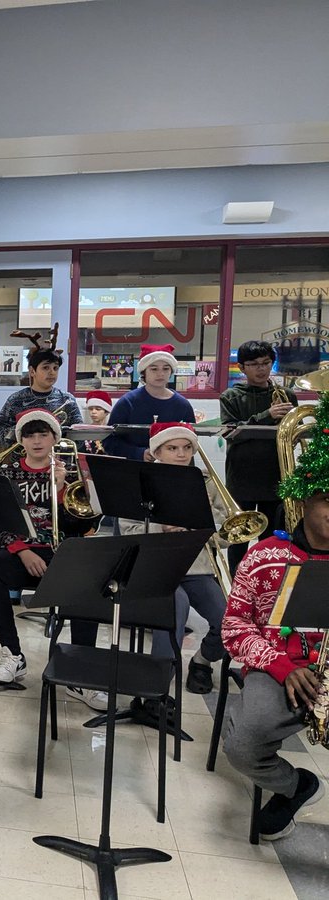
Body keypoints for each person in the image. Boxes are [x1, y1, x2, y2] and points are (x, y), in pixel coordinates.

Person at [221, 489, 329, 840]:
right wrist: (281, 665)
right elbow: (234, 626)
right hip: (277, 668)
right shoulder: (265, 556)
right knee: (242, 746)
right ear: (304, 501)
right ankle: (296, 785)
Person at [0, 410, 106, 709]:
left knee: (89, 580)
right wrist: (22, 550)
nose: (36, 441)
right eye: (30, 435)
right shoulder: (7, 472)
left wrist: (62, 489)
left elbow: (85, 526)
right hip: (23, 551)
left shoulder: (72, 471)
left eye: (43, 434)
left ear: (55, 438)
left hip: (63, 552)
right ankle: (13, 654)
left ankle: (78, 673)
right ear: (21, 439)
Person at [117, 423, 227, 694]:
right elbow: (127, 530)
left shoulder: (206, 482)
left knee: (228, 620)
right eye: (172, 448)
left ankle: (202, 661)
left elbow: (227, 532)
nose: (181, 454)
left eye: (187, 447)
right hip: (154, 566)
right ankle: (158, 685)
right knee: (175, 608)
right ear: (157, 451)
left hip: (196, 565)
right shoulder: (141, 482)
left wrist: (198, 526)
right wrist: (160, 528)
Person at [220, 340, 297, 576]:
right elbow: (230, 432)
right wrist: (267, 415)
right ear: (242, 368)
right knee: (239, 541)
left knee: (272, 540)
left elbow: (293, 431)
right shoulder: (231, 396)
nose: (261, 369)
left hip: (274, 477)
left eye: (266, 363)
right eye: (253, 364)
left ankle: (268, 584)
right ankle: (237, 588)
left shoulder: (286, 395)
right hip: (241, 479)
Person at [103, 344, 195, 461]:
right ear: (144, 372)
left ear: (171, 372)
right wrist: (139, 453)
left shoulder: (182, 405)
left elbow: (191, 442)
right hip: (134, 471)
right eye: (154, 369)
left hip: (172, 471)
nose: (160, 373)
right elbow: (109, 441)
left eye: (165, 369)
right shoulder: (128, 402)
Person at [0, 346, 82, 449]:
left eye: (55, 368)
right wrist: (23, 429)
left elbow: (79, 437)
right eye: (45, 367)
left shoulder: (67, 400)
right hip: (22, 460)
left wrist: (56, 431)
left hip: (57, 460)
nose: (52, 372)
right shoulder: (16, 399)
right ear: (32, 371)